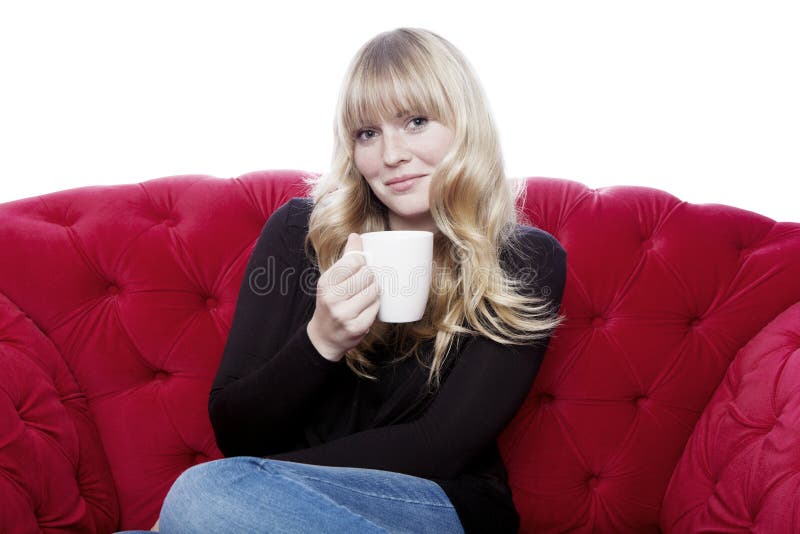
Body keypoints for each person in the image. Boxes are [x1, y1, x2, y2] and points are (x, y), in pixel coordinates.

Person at [148, 27, 567, 533]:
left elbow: (439, 444)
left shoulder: (524, 259)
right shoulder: (298, 234)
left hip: (436, 504)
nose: (391, 156)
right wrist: (321, 342)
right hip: (272, 504)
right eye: (368, 133)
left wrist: (249, 484)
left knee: (205, 495)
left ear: (465, 126)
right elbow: (236, 432)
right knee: (210, 498)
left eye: (416, 122)